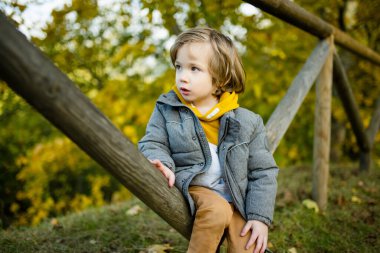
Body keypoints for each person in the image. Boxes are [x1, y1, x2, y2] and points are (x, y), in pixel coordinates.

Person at [138, 27, 278, 253]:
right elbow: (153, 142)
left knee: (249, 243)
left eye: (194, 68)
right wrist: (160, 162)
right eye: (179, 66)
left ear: (220, 78)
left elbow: (263, 172)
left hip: (237, 200)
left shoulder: (248, 122)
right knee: (217, 210)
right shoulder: (168, 109)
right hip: (196, 189)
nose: (182, 76)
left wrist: (260, 218)